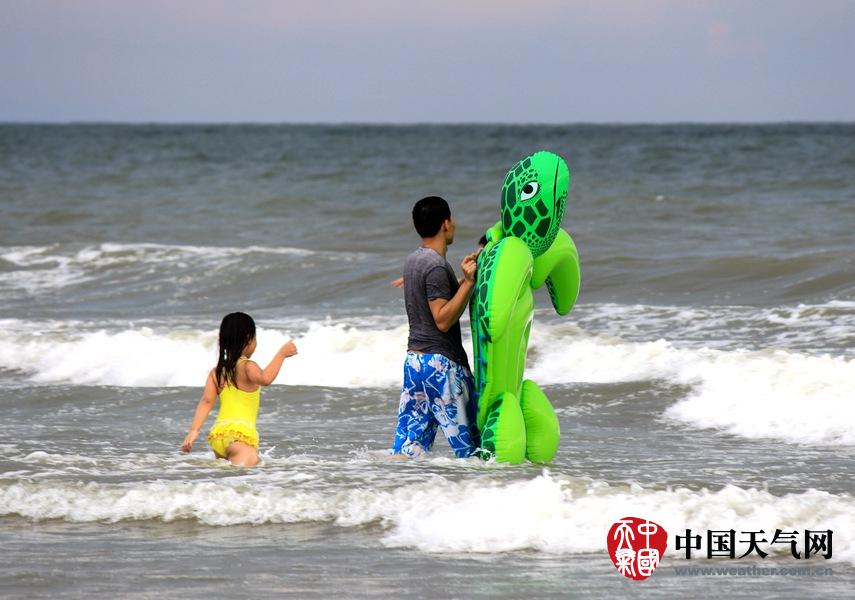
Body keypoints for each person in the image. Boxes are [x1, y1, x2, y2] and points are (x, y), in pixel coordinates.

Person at [390, 196, 481, 458]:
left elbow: (435, 291)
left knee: (408, 452)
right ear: (446, 223)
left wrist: (464, 278)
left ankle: (380, 482)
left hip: (416, 364)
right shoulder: (436, 267)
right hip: (442, 368)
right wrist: (468, 283)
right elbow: (442, 319)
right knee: (472, 452)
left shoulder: (413, 261)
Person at [180, 312, 298, 466]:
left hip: (219, 436)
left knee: (227, 478)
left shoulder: (217, 372)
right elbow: (265, 379)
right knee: (247, 477)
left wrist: (194, 431)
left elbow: (206, 402)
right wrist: (281, 355)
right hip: (240, 437)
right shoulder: (248, 366)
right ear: (249, 340)